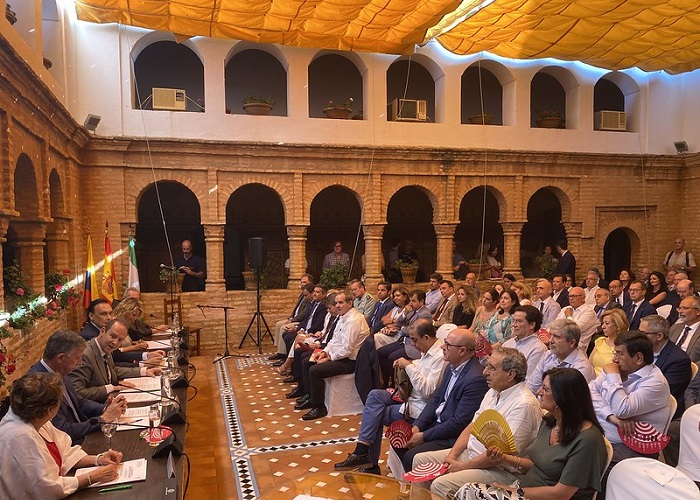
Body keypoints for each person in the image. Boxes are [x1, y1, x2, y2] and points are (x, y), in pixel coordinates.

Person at [454, 368, 608, 500]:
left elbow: (561, 494)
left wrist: (514, 491)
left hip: (539, 496)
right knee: (469, 491)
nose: (538, 391)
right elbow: (537, 465)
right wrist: (505, 458)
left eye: (545, 389)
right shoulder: (550, 422)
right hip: (524, 489)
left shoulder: (588, 440)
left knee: (470, 491)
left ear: (563, 398)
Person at [412, 348, 542, 498]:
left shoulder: (523, 404)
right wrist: (452, 456)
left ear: (511, 374)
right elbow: (473, 425)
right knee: (420, 460)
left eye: (492, 368)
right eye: (486, 366)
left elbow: (497, 455)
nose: (484, 372)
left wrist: (461, 467)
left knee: (441, 484)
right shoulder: (493, 391)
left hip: (500, 470)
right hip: (471, 454)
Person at [333, 319, 445, 474]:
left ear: (426, 337)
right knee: (374, 396)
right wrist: (412, 364)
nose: (412, 344)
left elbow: (427, 391)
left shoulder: (439, 356)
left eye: (414, 339)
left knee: (377, 414)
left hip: (420, 406)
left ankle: (367, 459)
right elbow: (421, 371)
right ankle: (363, 451)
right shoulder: (427, 351)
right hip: (410, 396)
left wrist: (409, 366)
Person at [0, 372, 123, 498]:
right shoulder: (19, 436)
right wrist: (91, 477)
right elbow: (44, 488)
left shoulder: (36, 418)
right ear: (50, 410)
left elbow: (64, 452)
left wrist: (98, 459)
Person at [389, 328, 489, 476]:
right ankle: (409, 483)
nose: (442, 346)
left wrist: (424, 436)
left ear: (462, 351)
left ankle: (420, 488)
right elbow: (436, 399)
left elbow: (459, 422)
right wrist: (417, 426)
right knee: (400, 441)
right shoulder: (451, 367)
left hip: (452, 435)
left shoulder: (475, 378)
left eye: (447, 344)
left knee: (411, 455)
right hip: (438, 423)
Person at [590, 331, 671, 489]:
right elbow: (590, 391)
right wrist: (611, 417)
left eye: (620, 354)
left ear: (638, 358)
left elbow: (622, 409)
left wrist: (613, 377)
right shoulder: (620, 371)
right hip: (603, 433)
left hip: (631, 445)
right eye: (615, 353)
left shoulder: (656, 383)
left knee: (582, 461)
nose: (614, 359)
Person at [27, 330, 127, 445]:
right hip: (70, 446)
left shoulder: (59, 370)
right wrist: (103, 419)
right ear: (60, 358)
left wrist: (105, 408)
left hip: (82, 436)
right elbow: (62, 430)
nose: (80, 362)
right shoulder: (39, 385)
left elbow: (79, 401)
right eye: (77, 358)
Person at [298, 290, 369, 420]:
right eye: (336, 303)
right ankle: (310, 396)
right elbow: (334, 340)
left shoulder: (354, 320)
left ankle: (319, 407)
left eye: (341, 303)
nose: (337, 306)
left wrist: (329, 358)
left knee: (315, 370)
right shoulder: (343, 317)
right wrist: (324, 352)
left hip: (350, 362)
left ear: (350, 303)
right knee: (307, 361)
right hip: (338, 356)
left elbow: (347, 350)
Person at [69, 318, 161, 403]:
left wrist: (144, 371)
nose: (115, 343)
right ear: (102, 331)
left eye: (120, 340)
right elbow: (77, 392)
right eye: (113, 336)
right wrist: (111, 388)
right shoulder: (85, 355)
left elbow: (113, 370)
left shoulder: (105, 348)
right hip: (95, 409)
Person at [640, 314, 691, 418]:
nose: (639, 337)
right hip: (641, 401)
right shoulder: (641, 351)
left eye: (643, 333)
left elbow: (661, 392)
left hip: (660, 410)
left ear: (659, 336)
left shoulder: (679, 360)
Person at [527, 318, 595, 393]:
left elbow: (569, 401)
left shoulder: (582, 368)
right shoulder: (548, 355)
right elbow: (531, 387)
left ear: (572, 343)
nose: (550, 341)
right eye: (550, 335)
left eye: (556, 337)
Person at [502, 305, 547, 390]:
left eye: (519, 321)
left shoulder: (538, 349)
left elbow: (528, 381)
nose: (514, 325)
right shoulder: (508, 344)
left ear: (532, 325)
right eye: (513, 321)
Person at [556, 286, 599, 353]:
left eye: (574, 296)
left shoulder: (589, 312)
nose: (571, 299)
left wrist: (569, 316)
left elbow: (574, 330)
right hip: (560, 341)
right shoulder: (565, 309)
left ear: (583, 297)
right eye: (570, 296)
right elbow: (555, 325)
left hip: (577, 347)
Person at [589, 308, 629, 376]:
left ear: (617, 326)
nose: (603, 326)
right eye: (602, 323)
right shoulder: (600, 341)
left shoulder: (624, 346)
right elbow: (589, 363)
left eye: (607, 323)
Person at [670, 296, 700, 361]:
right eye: (679, 308)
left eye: (685, 308)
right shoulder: (674, 328)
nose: (680, 311)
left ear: (698, 311)